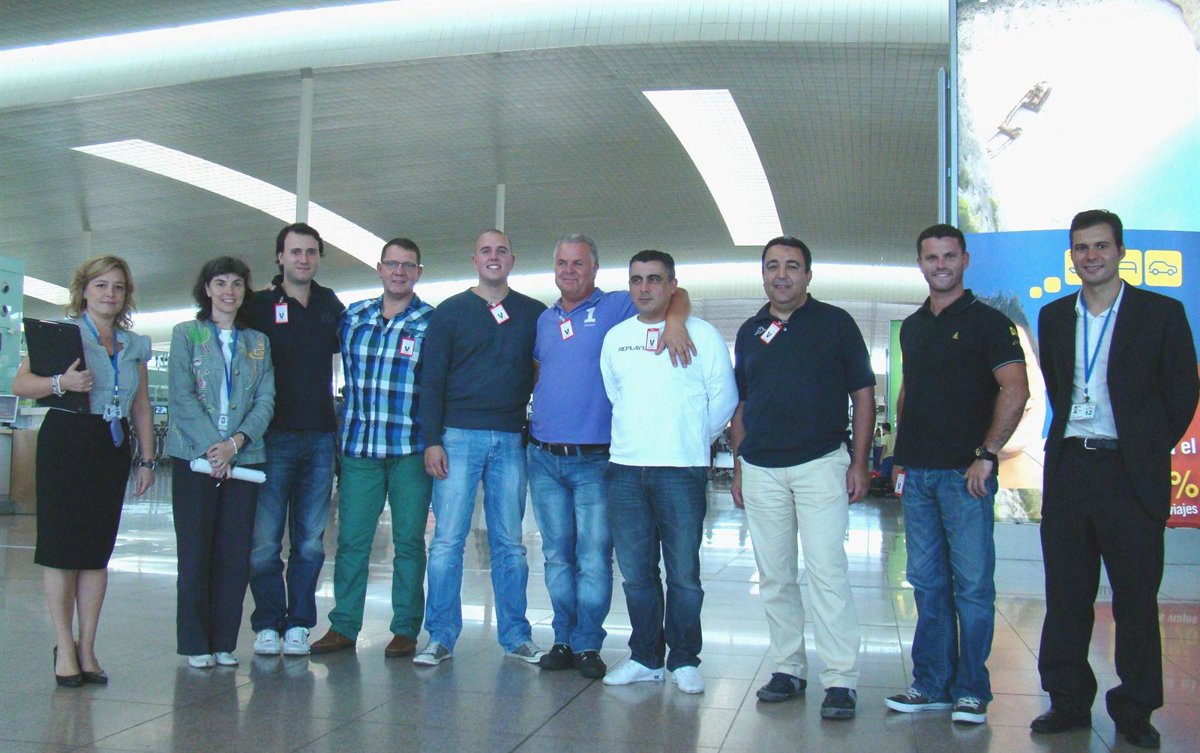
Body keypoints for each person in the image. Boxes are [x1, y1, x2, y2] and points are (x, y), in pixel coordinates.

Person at [1031, 210, 1198, 749]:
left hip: (1130, 473)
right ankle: (1067, 701)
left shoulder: (1161, 313)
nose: (1091, 256)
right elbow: (1059, 386)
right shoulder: (1054, 316)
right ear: (1072, 255)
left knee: (1135, 599)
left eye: (1101, 246)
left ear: (1121, 251)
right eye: (1081, 248)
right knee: (1066, 595)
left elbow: (1182, 393)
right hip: (1071, 468)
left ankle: (1135, 710)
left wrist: (1146, 447)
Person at [529, 233, 694, 679]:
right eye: (562, 263)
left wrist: (675, 322)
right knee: (556, 555)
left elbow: (675, 294)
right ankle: (563, 638)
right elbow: (541, 373)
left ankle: (587, 642)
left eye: (578, 263)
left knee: (594, 556)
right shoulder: (544, 319)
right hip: (543, 458)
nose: (569, 271)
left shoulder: (616, 306)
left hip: (594, 460)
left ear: (595, 269)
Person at [885, 224, 1029, 725]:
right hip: (919, 476)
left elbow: (1016, 389)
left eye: (949, 256)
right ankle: (931, 684)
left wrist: (987, 454)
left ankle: (971, 690)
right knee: (926, 583)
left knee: (971, 586)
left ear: (965, 260)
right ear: (920, 264)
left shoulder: (991, 323)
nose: (940, 265)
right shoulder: (912, 326)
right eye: (931, 257)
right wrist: (900, 455)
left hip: (966, 476)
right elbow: (909, 393)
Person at [729, 236, 875, 719]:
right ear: (763, 275)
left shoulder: (836, 323)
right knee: (774, 576)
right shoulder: (750, 331)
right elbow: (741, 404)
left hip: (820, 463)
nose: (782, 274)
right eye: (773, 266)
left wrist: (858, 462)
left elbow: (863, 394)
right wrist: (739, 467)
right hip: (761, 468)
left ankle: (841, 679)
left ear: (808, 275)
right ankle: (788, 668)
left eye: (792, 266)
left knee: (827, 572)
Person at [13, 256, 156, 687]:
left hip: (110, 445)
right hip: (66, 440)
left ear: (126, 295)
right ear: (84, 291)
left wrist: (147, 459)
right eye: (101, 285)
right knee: (61, 549)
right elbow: (21, 385)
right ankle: (63, 646)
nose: (110, 294)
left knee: (96, 551)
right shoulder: (62, 333)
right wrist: (62, 383)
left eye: (118, 287)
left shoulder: (134, 344)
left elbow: (141, 405)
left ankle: (87, 646)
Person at [600, 250, 737, 695]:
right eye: (636, 279)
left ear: (672, 285)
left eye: (654, 279)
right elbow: (616, 394)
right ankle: (645, 657)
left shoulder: (703, 336)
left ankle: (683, 659)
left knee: (683, 575)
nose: (644, 288)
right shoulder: (616, 338)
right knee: (636, 574)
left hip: (681, 471)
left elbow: (724, 399)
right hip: (625, 471)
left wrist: (692, 438)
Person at [414, 229, 547, 666]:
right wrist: (432, 441)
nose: (494, 257)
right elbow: (431, 381)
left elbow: (541, 370)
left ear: (512, 260)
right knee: (447, 542)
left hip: (509, 439)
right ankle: (440, 636)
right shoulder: (450, 313)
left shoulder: (533, 313)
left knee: (510, 544)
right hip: (457, 436)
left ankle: (516, 636)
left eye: (501, 251)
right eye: (486, 251)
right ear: (474, 260)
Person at [309, 238, 435, 658]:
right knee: (351, 541)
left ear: (418, 273)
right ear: (380, 269)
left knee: (409, 543)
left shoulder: (431, 322)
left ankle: (405, 628)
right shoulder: (352, 317)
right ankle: (343, 625)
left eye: (408, 265)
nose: (399, 272)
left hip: (409, 449)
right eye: (392, 264)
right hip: (360, 450)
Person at [166, 256, 275, 669]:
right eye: (220, 283)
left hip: (244, 459)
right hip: (194, 458)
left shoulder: (257, 341)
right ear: (207, 289)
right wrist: (215, 448)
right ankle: (196, 643)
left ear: (245, 290)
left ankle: (224, 641)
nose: (229, 291)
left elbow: (266, 399)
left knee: (234, 554)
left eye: (237, 283)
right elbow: (181, 395)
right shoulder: (186, 333)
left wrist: (235, 444)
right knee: (195, 552)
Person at [244, 223, 345, 657]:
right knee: (265, 541)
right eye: (295, 252)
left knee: (309, 541)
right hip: (271, 438)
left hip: (320, 437)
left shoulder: (329, 304)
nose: (304, 259)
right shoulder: (258, 306)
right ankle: (268, 622)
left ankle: (300, 623)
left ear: (318, 257)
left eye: (311, 252)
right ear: (280, 257)